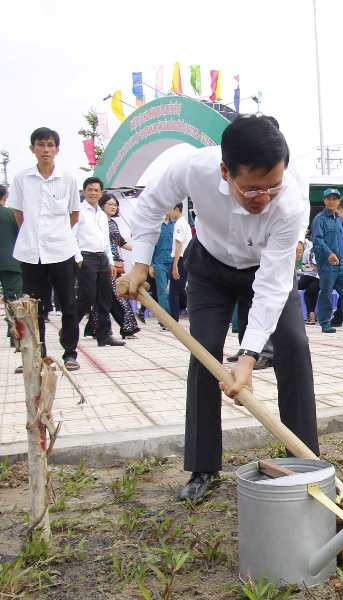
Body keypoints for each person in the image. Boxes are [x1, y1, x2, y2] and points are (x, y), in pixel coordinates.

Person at [120, 115, 318, 503]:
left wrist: (247, 357)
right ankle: (203, 467)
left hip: (263, 268)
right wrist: (140, 262)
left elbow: (273, 284)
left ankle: (304, 461)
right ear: (225, 170)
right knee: (204, 350)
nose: (263, 197)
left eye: (272, 187)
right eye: (251, 189)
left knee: (294, 345)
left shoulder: (290, 202)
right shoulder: (193, 168)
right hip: (209, 267)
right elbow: (147, 208)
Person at [6, 128, 81, 370]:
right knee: (34, 308)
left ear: (57, 149)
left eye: (50, 145)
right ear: (33, 149)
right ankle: (38, 356)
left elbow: (74, 214)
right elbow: (19, 214)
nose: (46, 150)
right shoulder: (21, 179)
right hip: (31, 254)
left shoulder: (67, 178)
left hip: (61, 251)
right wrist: (33, 236)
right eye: (41, 145)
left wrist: (57, 234)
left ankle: (70, 353)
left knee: (68, 304)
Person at [75, 177, 125, 348]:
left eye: (96, 190)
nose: (93, 193)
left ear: (101, 193)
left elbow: (105, 240)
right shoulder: (78, 211)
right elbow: (71, 235)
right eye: (90, 189)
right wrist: (78, 258)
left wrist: (110, 261)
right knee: (87, 296)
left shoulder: (102, 215)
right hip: (85, 257)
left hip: (102, 258)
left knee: (105, 298)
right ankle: (69, 327)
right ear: (84, 191)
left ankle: (104, 336)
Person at [87, 194, 140, 339]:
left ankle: (94, 328)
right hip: (104, 264)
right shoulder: (98, 221)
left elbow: (121, 243)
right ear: (102, 205)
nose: (113, 207)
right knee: (119, 295)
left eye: (115, 205)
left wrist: (142, 251)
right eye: (110, 204)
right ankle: (128, 327)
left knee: (105, 297)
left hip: (116, 264)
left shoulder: (113, 223)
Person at [311, 189, 343, 333]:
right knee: (326, 293)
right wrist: (329, 253)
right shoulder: (319, 219)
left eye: (335, 199)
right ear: (324, 201)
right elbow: (317, 239)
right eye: (329, 199)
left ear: (338, 201)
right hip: (327, 263)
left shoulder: (338, 219)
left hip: (341, 263)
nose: (332, 201)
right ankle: (325, 323)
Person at [0, 185, 22, 350]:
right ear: (5, 197)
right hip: (10, 262)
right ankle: (14, 335)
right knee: (13, 299)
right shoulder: (12, 214)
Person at [168, 202, 193, 322]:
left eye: (169, 209)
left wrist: (175, 265)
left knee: (174, 292)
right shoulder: (184, 223)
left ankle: (174, 319)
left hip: (180, 259)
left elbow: (178, 245)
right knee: (180, 290)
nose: (168, 213)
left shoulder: (179, 224)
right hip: (184, 259)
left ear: (176, 209)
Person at [150, 212, 176, 323]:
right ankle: (165, 320)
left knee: (175, 291)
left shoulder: (176, 224)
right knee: (162, 291)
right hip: (159, 262)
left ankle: (174, 315)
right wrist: (151, 265)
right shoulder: (155, 226)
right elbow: (150, 246)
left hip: (174, 261)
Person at [297, 233, 320, 324]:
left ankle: (311, 315)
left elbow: (318, 268)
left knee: (310, 290)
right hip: (307, 275)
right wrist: (307, 267)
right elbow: (303, 265)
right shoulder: (307, 252)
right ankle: (309, 315)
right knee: (295, 285)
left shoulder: (323, 252)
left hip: (319, 277)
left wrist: (313, 267)